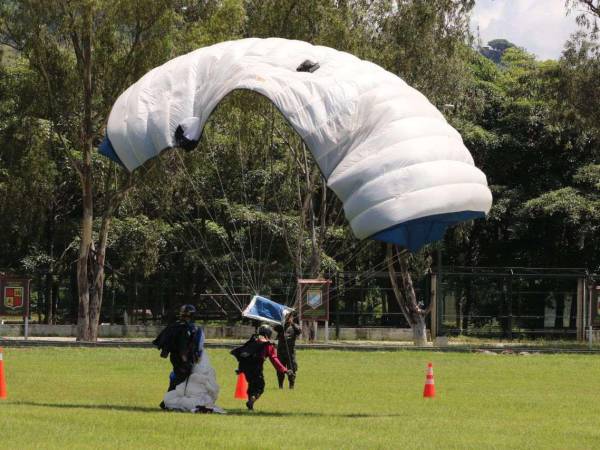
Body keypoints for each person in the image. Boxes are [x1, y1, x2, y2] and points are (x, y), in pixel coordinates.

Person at [231, 324, 293, 411]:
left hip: (244, 367)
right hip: (256, 367)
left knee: (252, 384)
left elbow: (243, 352)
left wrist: (240, 369)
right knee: (260, 386)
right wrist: (284, 370)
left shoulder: (253, 340)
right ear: (268, 334)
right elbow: (274, 360)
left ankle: (250, 405)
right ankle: (251, 401)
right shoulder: (267, 345)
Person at [154, 304, 202, 409]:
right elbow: (183, 345)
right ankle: (166, 403)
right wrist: (185, 359)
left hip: (176, 357)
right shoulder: (185, 328)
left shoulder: (176, 326)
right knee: (179, 380)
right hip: (181, 358)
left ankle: (169, 402)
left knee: (178, 378)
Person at [274, 312, 301, 389]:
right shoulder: (281, 326)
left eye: (290, 317)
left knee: (292, 369)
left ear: (292, 318)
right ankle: (280, 386)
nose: (288, 318)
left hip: (291, 352)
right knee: (280, 369)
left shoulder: (295, 327)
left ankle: (291, 386)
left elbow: (299, 331)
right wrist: (282, 321)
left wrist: (292, 323)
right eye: (286, 317)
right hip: (281, 352)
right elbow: (275, 327)